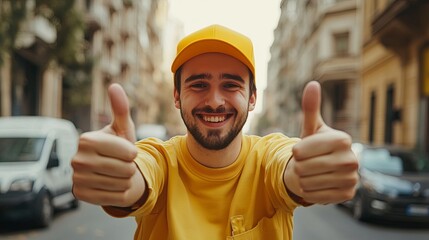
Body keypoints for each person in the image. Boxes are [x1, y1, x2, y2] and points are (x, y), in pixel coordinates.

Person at [72, 24, 358, 239]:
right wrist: (120, 177)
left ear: (252, 98)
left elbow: (287, 168)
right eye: (198, 84)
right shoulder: (159, 158)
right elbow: (140, 173)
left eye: (231, 85)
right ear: (176, 96)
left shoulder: (268, 156)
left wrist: (307, 173)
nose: (215, 101)